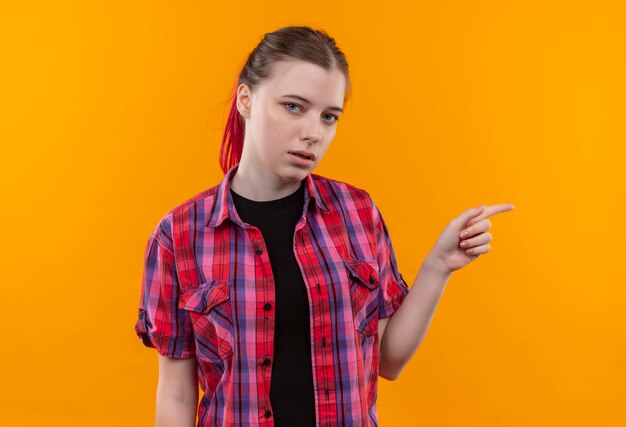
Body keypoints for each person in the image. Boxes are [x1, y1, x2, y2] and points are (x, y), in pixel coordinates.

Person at [134, 25, 515, 427]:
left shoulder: (356, 213)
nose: (313, 133)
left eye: (328, 116)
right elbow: (176, 394)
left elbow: (389, 360)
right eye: (294, 107)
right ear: (246, 99)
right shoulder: (179, 236)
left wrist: (438, 265)